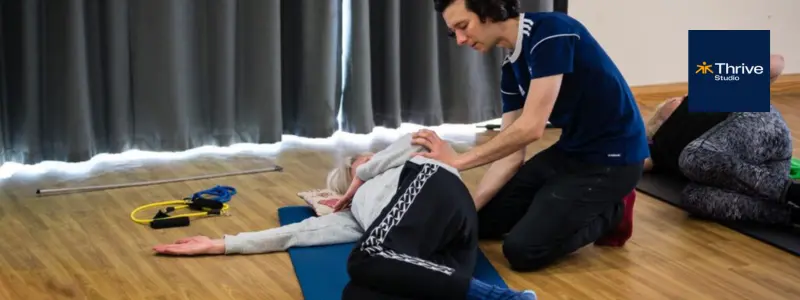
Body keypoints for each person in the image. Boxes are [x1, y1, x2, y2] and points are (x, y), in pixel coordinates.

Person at [152, 133, 537, 300]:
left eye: (367, 159)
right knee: (357, 292)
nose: (366, 161)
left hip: (435, 191)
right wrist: (223, 243)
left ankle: (505, 299)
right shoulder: (353, 216)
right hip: (439, 256)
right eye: (359, 162)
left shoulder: (401, 162)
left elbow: (419, 139)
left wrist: (364, 175)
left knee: (365, 258)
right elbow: (294, 234)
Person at [414, 0, 648, 271]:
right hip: (571, 152)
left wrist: (459, 161)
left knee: (523, 251)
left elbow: (531, 127)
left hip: (615, 160)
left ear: (490, 10)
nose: (460, 40)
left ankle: (612, 210)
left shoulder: (552, 32)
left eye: (463, 26)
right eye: (454, 31)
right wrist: (467, 213)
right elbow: (511, 154)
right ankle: (560, 205)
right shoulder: (511, 67)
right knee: (479, 224)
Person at [646, 54, 800, 227]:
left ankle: (794, 192)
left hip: (763, 125)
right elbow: (634, 160)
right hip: (763, 175)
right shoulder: (657, 148)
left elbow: (776, 62)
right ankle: (792, 215)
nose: (674, 100)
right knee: (694, 197)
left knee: (694, 156)